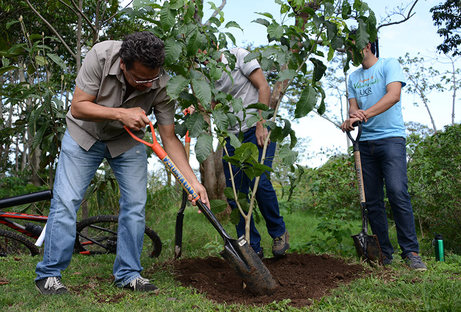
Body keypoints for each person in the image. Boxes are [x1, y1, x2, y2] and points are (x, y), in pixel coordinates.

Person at [35, 31, 209, 295]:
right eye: (140, 78)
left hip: (127, 142)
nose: (148, 85)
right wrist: (120, 113)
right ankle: (49, 274)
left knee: (136, 205)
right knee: (67, 200)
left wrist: (193, 182)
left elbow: (169, 137)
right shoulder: (101, 56)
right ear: (123, 65)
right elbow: (78, 107)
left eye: (152, 78)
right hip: (84, 135)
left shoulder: (162, 83)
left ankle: (128, 273)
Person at [340, 38, 426, 271]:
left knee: (398, 192)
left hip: (391, 139)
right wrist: (351, 119)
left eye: (352, 47)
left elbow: (393, 95)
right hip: (365, 144)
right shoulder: (353, 77)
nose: (349, 51)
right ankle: (384, 254)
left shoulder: (389, 65)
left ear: (366, 45)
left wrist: (364, 113)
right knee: (373, 201)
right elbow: (353, 107)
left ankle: (411, 252)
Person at [214, 47, 289, 258]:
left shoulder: (238, 55)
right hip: (232, 137)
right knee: (236, 196)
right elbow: (212, 103)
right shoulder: (207, 74)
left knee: (261, 184)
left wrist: (261, 123)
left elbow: (263, 87)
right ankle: (251, 248)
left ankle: (278, 232)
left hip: (255, 129)